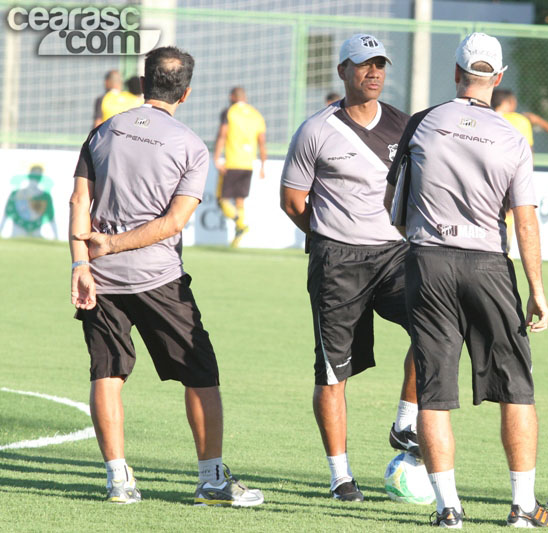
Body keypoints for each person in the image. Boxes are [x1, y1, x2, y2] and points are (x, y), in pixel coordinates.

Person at [69, 46, 263, 507]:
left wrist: (81, 264)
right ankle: (212, 480)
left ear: (144, 81)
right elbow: (175, 223)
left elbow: (80, 202)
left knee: (107, 372)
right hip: (159, 277)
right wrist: (113, 244)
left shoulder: (103, 131)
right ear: (187, 92)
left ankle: (118, 480)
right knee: (201, 374)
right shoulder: (189, 145)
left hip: (102, 278)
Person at [385, 32, 548, 529]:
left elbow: (392, 207)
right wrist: (537, 291)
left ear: (457, 74)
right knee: (517, 389)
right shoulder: (512, 137)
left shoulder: (423, 123)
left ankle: (448, 509)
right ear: (498, 79)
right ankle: (523, 507)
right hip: (488, 264)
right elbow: (525, 221)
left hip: (428, 261)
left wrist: (424, 236)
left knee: (435, 389)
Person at [279, 34, 418, 502]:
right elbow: (292, 200)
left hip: (395, 255)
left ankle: (406, 423)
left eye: (380, 63)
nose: (373, 72)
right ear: (343, 71)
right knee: (333, 373)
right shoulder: (315, 129)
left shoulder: (406, 126)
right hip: (337, 261)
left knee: (438, 326)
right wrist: (327, 234)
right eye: (363, 64)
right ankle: (341, 476)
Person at [491, 89, 548, 252]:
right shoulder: (520, 121)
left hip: (487, 171)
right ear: (510, 102)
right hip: (512, 171)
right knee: (509, 210)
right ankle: (505, 248)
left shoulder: (485, 118)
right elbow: (527, 150)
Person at [213, 87, 267, 248]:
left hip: (232, 161)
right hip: (248, 164)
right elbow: (262, 142)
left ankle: (239, 223)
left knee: (221, 199)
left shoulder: (229, 112)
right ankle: (237, 237)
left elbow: (222, 135)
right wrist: (263, 165)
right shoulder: (256, 114)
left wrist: (216, 158)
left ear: (232, 97)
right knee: (239, 200)